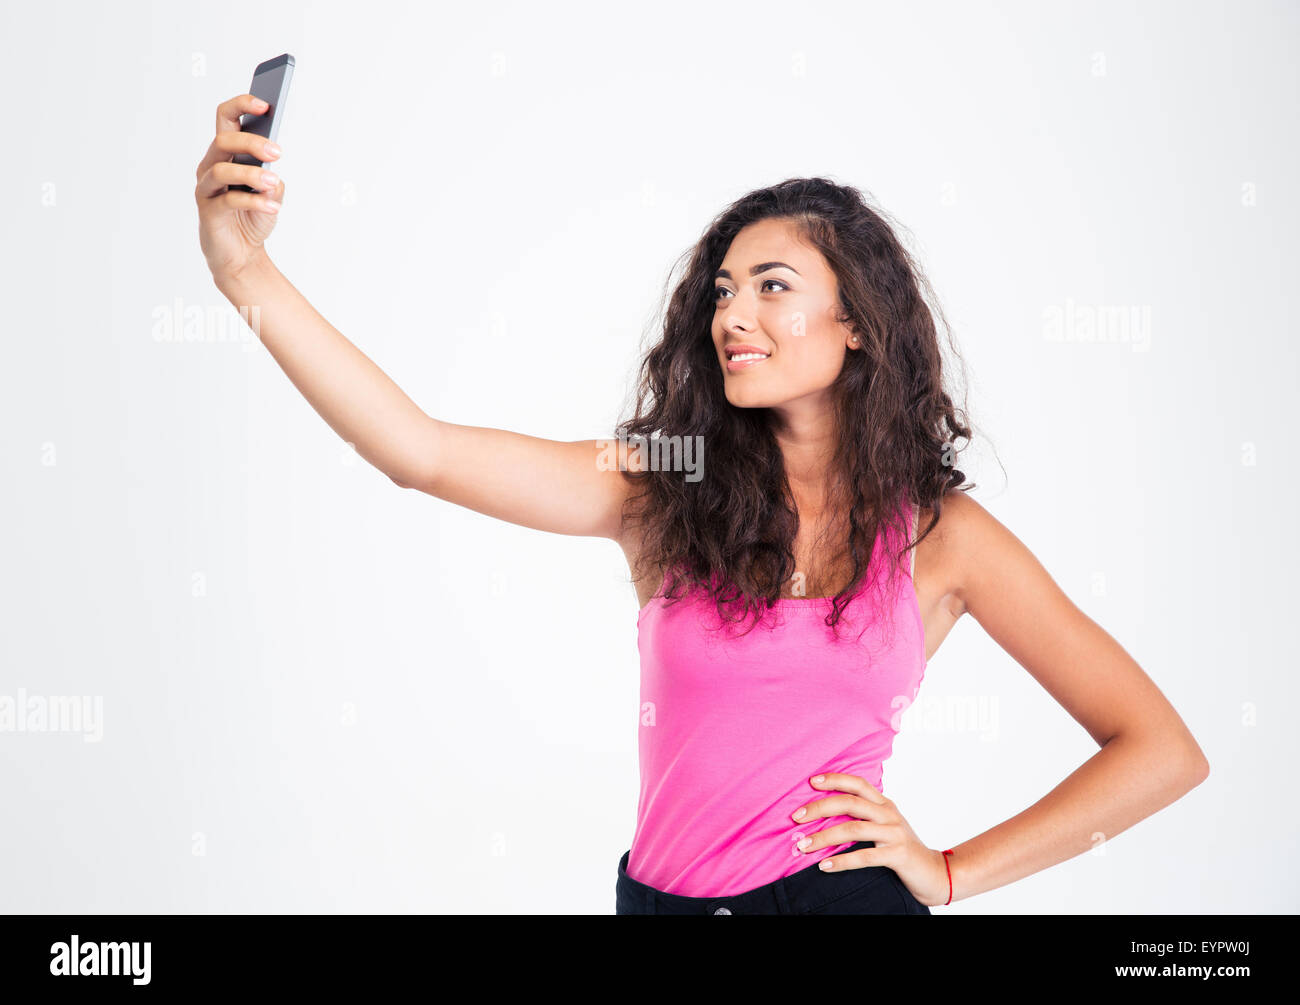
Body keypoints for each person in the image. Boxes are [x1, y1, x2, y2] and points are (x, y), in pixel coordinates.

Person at [194, 92, 1211, 915]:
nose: (734, 315)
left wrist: (948, 872)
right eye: (723, 290)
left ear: (857, 324)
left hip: (832, 905)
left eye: (772, 287)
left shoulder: (943, 541)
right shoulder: (665, 485)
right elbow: (417, 451)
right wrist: (244, 268)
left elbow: (1158, 751)